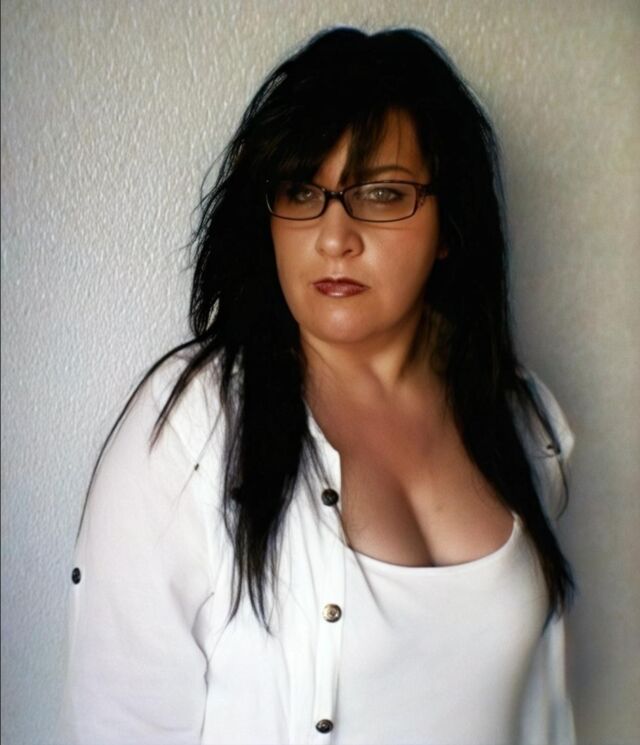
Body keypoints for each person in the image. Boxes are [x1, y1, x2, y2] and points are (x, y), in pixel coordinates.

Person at [59, 26, 576, 745]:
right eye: (302, 191)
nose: (334, 237)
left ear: (449, 224)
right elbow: (122, 723)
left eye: (383, 193)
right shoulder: (192, 431)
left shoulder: (524, 417)